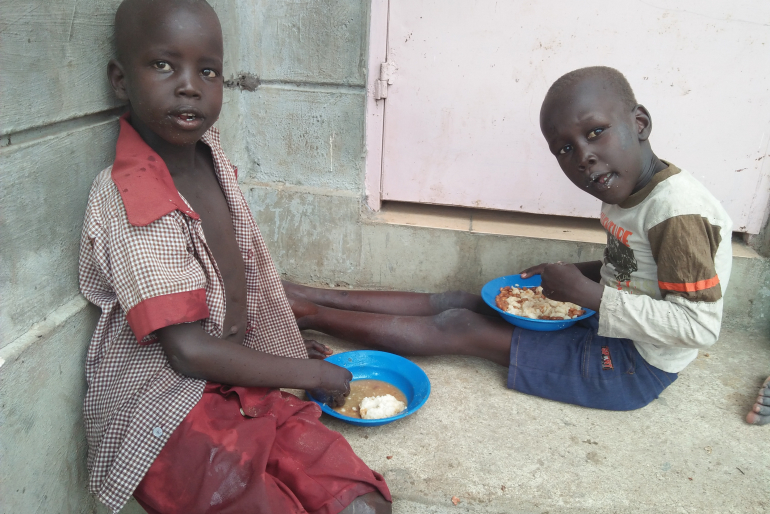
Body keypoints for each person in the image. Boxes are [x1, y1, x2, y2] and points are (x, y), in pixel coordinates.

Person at [78, 1, 391, 512]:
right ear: (120, 80)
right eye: (163, 65)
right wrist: (309, 375)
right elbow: (187, 352)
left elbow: (237, 284)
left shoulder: (209, 154)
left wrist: (279, 356)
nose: (189, 86)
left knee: (361, 500)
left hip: (237, 385)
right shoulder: (135, 196)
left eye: (208, 71)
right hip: (166, 411)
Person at [285, 66, 733, 412]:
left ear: (640, 123)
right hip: (608, 323)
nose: (584, 157)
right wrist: (576, 274)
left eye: (595, 132)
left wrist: (588, 295)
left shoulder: (677, 213)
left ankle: (310, 314)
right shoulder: (625, 183)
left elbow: (698, 327)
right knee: (459, 301)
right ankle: (310, 294)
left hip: (631, 368)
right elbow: (636, 267)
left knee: (459, 326)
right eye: (565, 149)